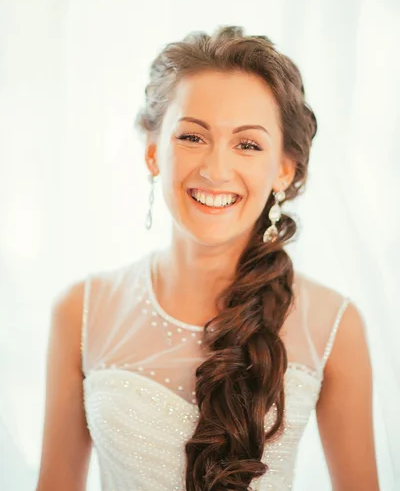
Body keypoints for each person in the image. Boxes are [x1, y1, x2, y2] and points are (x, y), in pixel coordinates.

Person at [36, 26, 380, 491]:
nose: (216, 170)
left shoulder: (334, 325)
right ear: (154, 152)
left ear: (284, 168)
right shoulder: (80, 310)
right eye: (193, 137)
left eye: (248, 144)